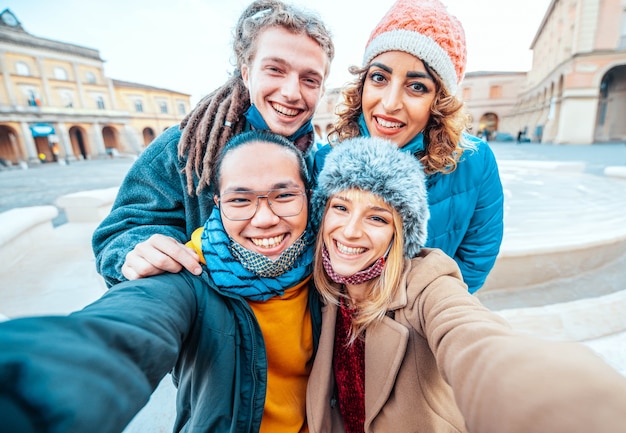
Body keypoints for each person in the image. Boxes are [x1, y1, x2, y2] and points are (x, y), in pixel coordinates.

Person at [0, 131, 320, 433]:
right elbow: (125, 329)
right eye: (240, 200)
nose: (264, 218)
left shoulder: (329, 272)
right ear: (218, 204)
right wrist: (26, 391)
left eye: (284, 195)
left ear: (308, 196)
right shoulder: (189, 274)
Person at [306, 136, 626, 433]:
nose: (349, 231)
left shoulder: (425, 283)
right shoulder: (326, 285)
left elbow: (473, 338)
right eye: (341, 207)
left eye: (377, 218)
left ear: (399, 233)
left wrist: (553, 398)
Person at [92, 0, 334, 287]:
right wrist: (137, 252)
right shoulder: (184, 148)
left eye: (309, 79)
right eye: (275, 70)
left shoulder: (325, 165)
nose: (292, 92)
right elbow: (122, 231)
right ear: (246, 73)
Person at [314, 0, 503, 293]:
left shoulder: (474, 163)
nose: (389, 103)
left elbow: (475, 258)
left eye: (416, 86)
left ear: (440, 100)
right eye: (379, 78)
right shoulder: (327, 159)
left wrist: (415, 319)